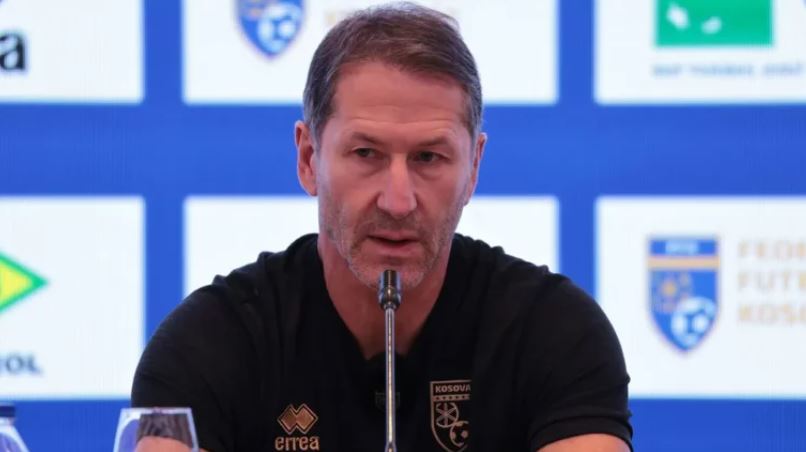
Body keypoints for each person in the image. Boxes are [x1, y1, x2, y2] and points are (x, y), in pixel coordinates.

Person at [131, 3, 633, 451]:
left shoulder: (554, 330)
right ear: (308, 158)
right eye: (366, 153)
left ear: (474, 167)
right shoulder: (206, 343)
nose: (397, 201)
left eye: (429, 158)